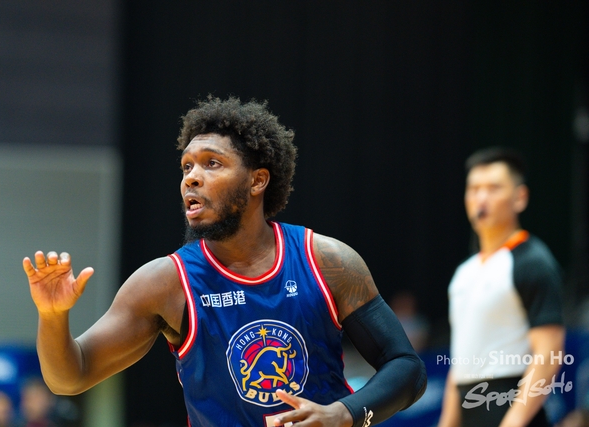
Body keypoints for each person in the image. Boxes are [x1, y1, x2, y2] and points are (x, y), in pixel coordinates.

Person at [23, 96, 426, 427]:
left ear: (257, 180)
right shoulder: (165, 282)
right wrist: (52, 316)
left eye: (211, 163)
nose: (191, 178)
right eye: (186, 166)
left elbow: (407, 367)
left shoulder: (327, 260)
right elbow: (70, 377)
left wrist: (344, 414)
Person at [438, 147, 566, 427]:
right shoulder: (464, 273)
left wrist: (512, 423)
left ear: (520, 197)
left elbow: (549, 354)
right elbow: (461, 361)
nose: (481, 198)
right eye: (474, 189)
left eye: (494, 188)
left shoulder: (533, 262)